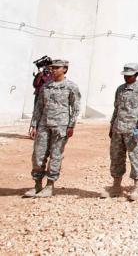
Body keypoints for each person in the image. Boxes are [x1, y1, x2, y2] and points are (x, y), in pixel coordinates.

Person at [23, 59, 81, 198]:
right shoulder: (46, 86)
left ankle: (49, 186)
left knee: (55, 156)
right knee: (38, 155)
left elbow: (76, 108)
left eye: (56, 67)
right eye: (52, 67)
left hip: (60, 126)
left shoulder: (70, 87)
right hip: (43, 125)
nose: (53, 70)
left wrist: (71, 125)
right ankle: (37, 185)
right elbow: (39, 107)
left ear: (65, 69)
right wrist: (34, 124)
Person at [101, 63, 138, 201]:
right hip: (118, 129)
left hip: (133, 130)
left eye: (130, 76)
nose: (127, 78)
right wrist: (112, 126)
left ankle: (136, 188)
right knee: (116, 157)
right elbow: (116, 109)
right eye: (125, 76)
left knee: (135, 157)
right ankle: (116, 186)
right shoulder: (120, 89)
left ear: (136, 74)